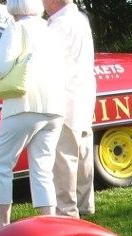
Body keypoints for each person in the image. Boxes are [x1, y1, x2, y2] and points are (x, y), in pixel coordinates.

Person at [0, 0, 66, 236]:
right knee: (43, 166)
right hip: (54, 106)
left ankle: (1, 224)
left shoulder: (16, 29)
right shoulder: (49, 29)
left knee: (2, 163)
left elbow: (1, 64)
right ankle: (50, 221)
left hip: (23, 105)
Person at [44, 0, 96, 218]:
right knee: (83, 151)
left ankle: (66, 209)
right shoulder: (80, 19)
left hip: (66, 96)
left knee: (65, 156)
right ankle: (86, 204)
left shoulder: (59, 25)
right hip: (84, 92)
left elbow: (48, 62)